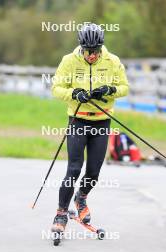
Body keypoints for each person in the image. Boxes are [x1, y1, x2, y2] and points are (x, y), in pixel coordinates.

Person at [51, 23, 129, 233]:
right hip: (78, 120)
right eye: (88, 51)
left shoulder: (112, 61)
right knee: (74, 168)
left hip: (102, 121)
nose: (92, 56)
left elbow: (125, 87)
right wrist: (74, 93)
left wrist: (110, 89)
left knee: (93, 171)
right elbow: (56, 88)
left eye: (95, 51)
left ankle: (81, 198)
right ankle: (60, 213)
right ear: (81, 47)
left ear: (101, 47)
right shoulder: (69, 61)